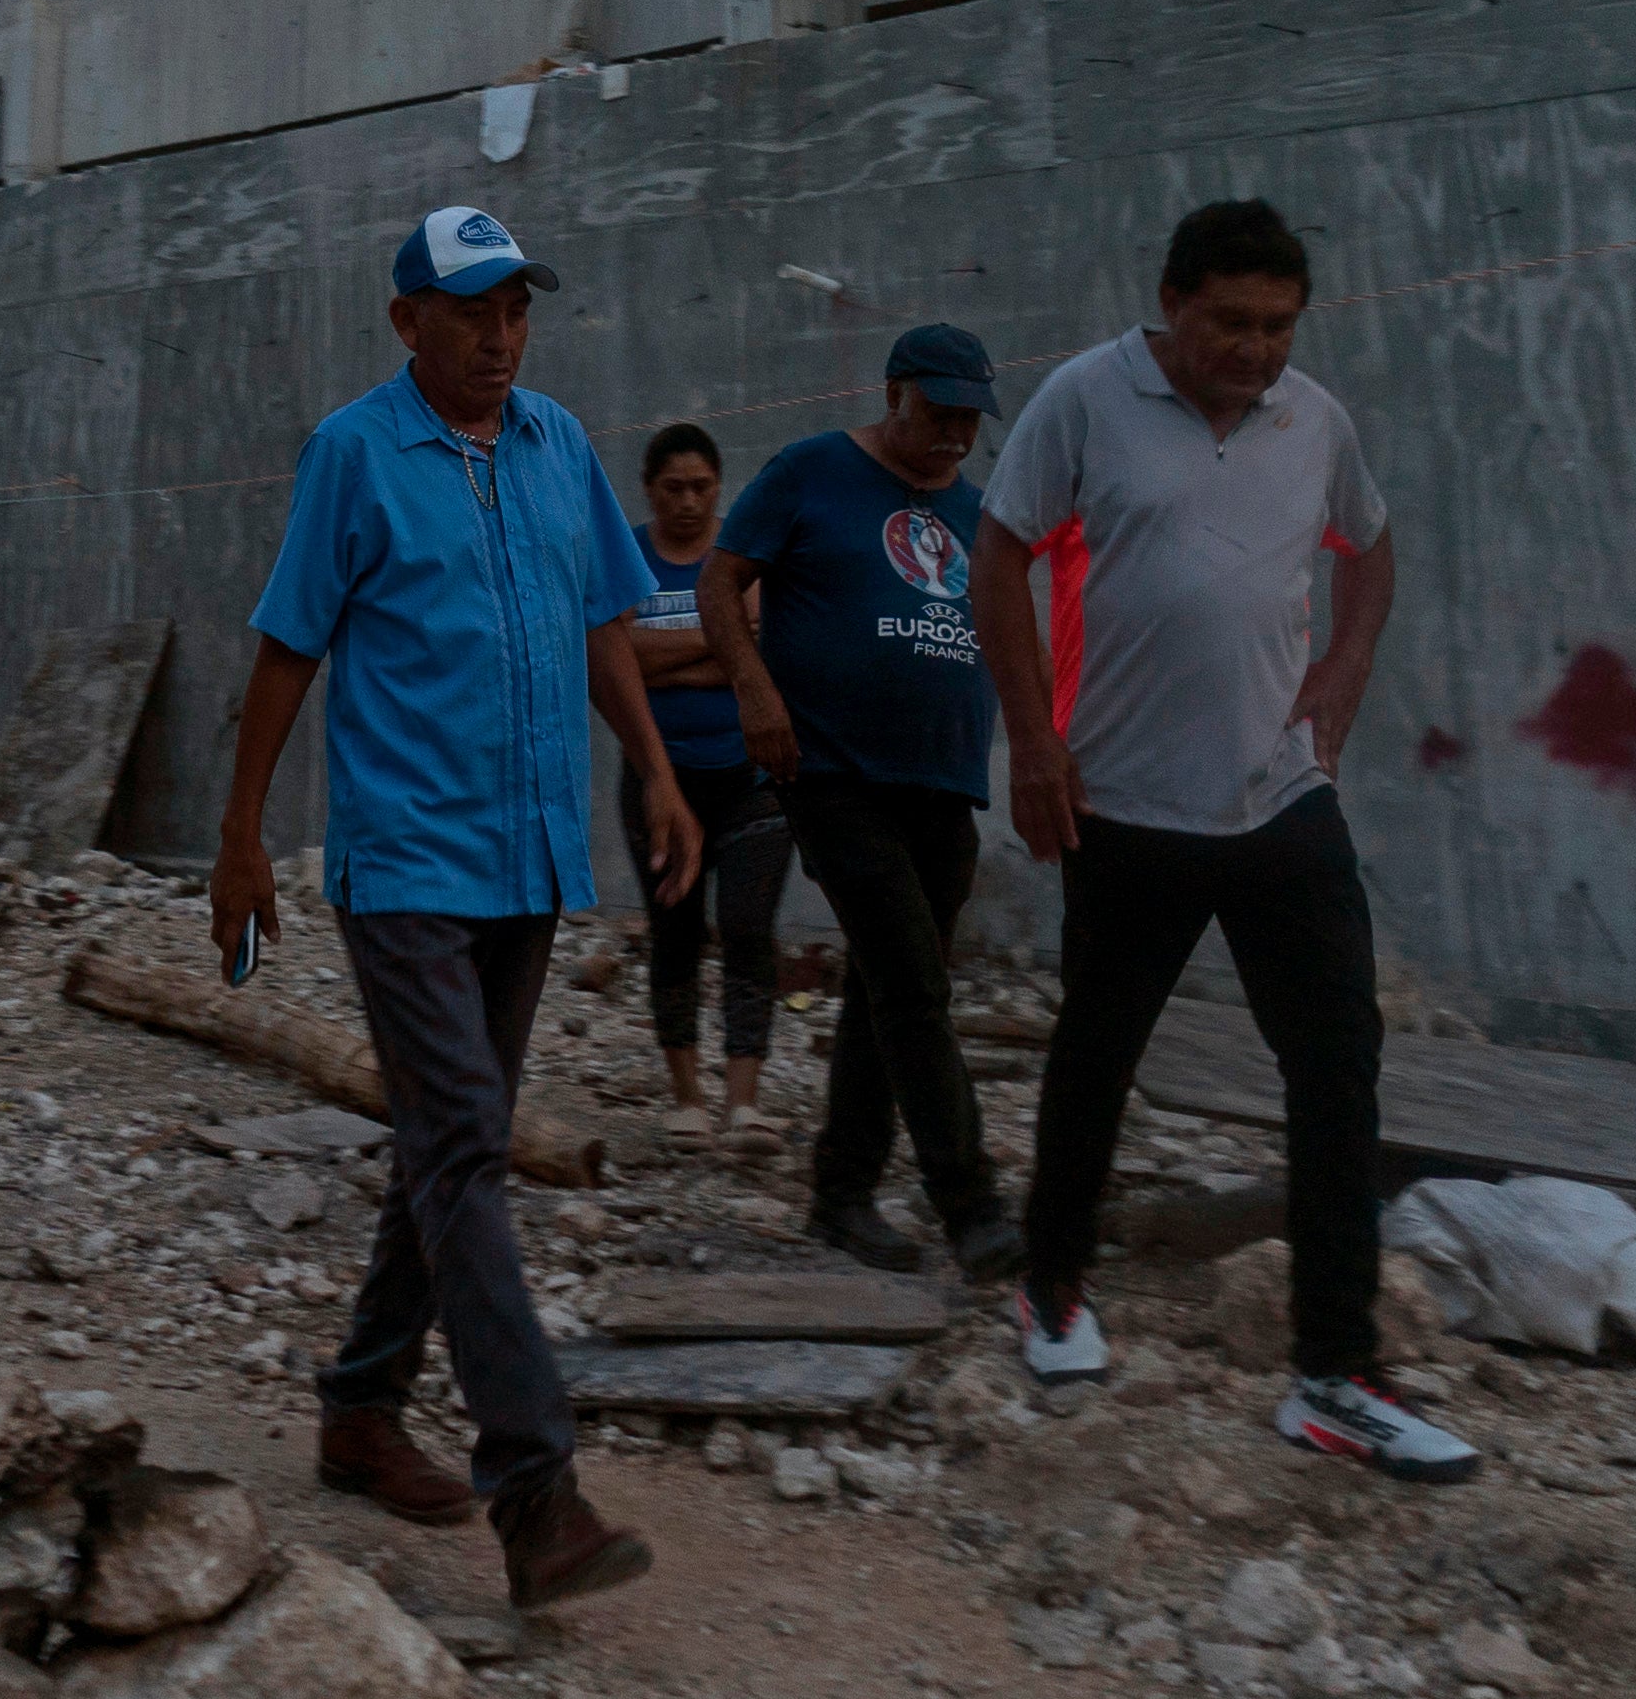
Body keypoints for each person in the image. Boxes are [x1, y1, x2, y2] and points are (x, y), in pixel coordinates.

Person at [213, 202, 697, 1606]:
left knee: (446, 1144)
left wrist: (656, 776)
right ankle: (535, 1491)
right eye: (473, 311)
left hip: (534, 857)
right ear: (406, 321)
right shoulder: (355, 454)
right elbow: (287, 646)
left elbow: (605, 616)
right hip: (411, 861)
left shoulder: (554, 444)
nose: (500, 336)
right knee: (468, 1147)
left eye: (517, 310)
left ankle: (363, 1409)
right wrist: (241, 838)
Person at [971, 198, 1478, 1485]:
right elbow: (997, 558)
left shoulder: (1316, 420)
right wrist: (1034, 743)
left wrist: (1346, 673)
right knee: (1099, 1047)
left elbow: (1372, 546)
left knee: (1337, 1059)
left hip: (1281, 799)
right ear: (1174, 303)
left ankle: (1335, 1372)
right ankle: (1053, 1286)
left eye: (1278, 326)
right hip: (1127, 803)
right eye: (1232, 323)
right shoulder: (1085, 399)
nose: (1256, 350)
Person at [702, 322, 1026, 1285]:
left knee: (892, 988)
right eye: (939, 414)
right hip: (833, 772)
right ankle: (972, 1208)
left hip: (943, 782)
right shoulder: (810, 471)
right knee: (917, 989)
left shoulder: (975, 511)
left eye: (970, 420)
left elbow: (1003, 627)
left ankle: (840, 1197)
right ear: (896, 396)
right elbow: (722, 585)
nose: (955, 436)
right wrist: (757, 697)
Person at [621, 420, 796, 1143]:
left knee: (750, 928)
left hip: (752, 777)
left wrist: (663, 653)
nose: (688, 502)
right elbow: (613, 656)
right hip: (660, 777)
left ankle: (744, 1099)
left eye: (701, 487)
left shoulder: (741, 553)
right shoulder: (628, 556)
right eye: (673, 489)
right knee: (675, 930)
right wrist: (722, 641)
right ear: (650, 490)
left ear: (719, 486)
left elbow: (767, 649)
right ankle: (687, 1096)